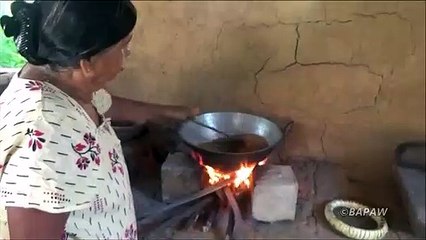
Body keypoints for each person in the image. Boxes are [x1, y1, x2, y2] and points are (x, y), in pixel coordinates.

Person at [0, 1, 198, 239]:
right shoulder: (49, 137)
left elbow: (103, 103)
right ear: (88, 63)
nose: (128, 54)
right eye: (124, 47)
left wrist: (173, 112)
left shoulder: (57, 75)